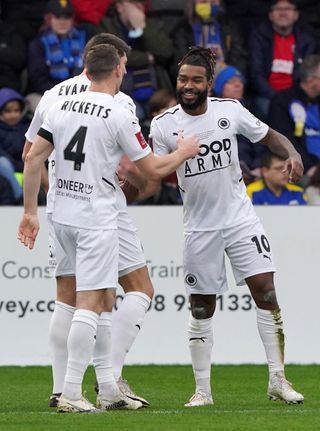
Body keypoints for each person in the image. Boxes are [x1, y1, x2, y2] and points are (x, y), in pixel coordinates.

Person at [19, 40, 199, 413]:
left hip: (60, 212)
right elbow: (149, 170)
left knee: (68, 298)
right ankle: (72, 390)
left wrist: (30, 212)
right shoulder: (119, 109)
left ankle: (101, 386)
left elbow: (32, 156)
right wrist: (183, 152)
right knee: (96, 300)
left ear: (87, 65)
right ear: (118, 68)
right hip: (97, 215)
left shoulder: (57, 101)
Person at [149, 46, 304, 407]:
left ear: (209, 83)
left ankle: (278, 379)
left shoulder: (229, 111)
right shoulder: (163, 125)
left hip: (240, 220)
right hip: (200, 228)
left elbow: (269, 136)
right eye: (183, 79)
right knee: (202, 308)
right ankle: (202, 390)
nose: (188, 86)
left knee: (266, 291)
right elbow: (155, 173)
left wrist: (292, 152)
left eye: (195, 80)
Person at [98, 0, 174, 120]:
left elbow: (165, 52)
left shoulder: (150, 24)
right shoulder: (106, 25)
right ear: (120, 7)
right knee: (135, 115)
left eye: (141, 4)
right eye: (134, 3)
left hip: (155, 89)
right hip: (123, 91)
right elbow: (112, 55)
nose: (139, 7)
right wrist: (148, 57)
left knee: (169, 114)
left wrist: (143, 28)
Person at [248, 0, 316, 120]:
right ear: (271, 15)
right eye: (278, 9)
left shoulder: (306, 40)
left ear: (296, 15)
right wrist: (276, 97)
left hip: (296, 95)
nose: (283, 13)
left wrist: (289, 97)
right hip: (267, 95)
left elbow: (306, 76)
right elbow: (256, 74)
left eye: (288, 9)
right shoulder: (259, 36)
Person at [268, 54, 320, 184]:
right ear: (310, 80)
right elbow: (284, 140)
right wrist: (310, 167)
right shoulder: (282, 102)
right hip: (305, 170)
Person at [27, 0, 86, 110]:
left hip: (80, 93)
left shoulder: (84, 38)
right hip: (45, 94)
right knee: (48, 109)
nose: (62, 22)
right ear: (49, 19)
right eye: (57, 17)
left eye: (66, 17)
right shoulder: (38, 44)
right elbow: (38, 81)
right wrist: (64, 94)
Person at [213, 65, 266, 183]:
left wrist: (258, 167)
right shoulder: (210, 112)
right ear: (220, 87)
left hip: (250, 172)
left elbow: (261, 144)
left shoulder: (251, 111)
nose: (238, 85)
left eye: (240, 81)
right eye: (231, 82)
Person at [0, 87, 30, 204]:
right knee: (2, 162)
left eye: (16, 111)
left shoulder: (27, 127)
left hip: (25, 165)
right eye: (8, 111)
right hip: (8, 168)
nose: (13, 115)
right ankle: (20, 198)